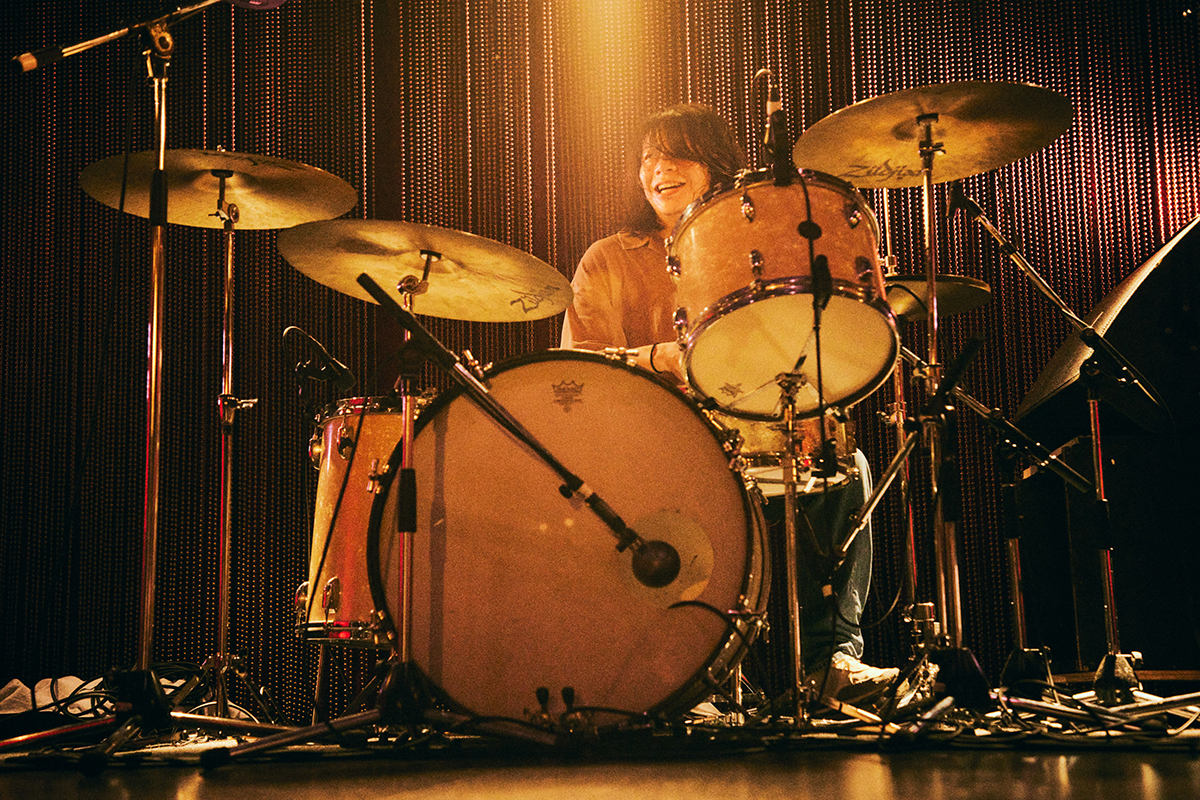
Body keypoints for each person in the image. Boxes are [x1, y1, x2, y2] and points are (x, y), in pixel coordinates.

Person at [560, 103, 897, 706]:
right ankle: (692, 677)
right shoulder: (608, 258)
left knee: (849, 467)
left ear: (715, 164)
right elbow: (579, 367)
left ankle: (831, 661)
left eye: (675, 155)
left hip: (753, 426)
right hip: (653, 442)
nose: (657, 170)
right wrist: (662, 358)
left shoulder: (759, 247)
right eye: (647, 159)